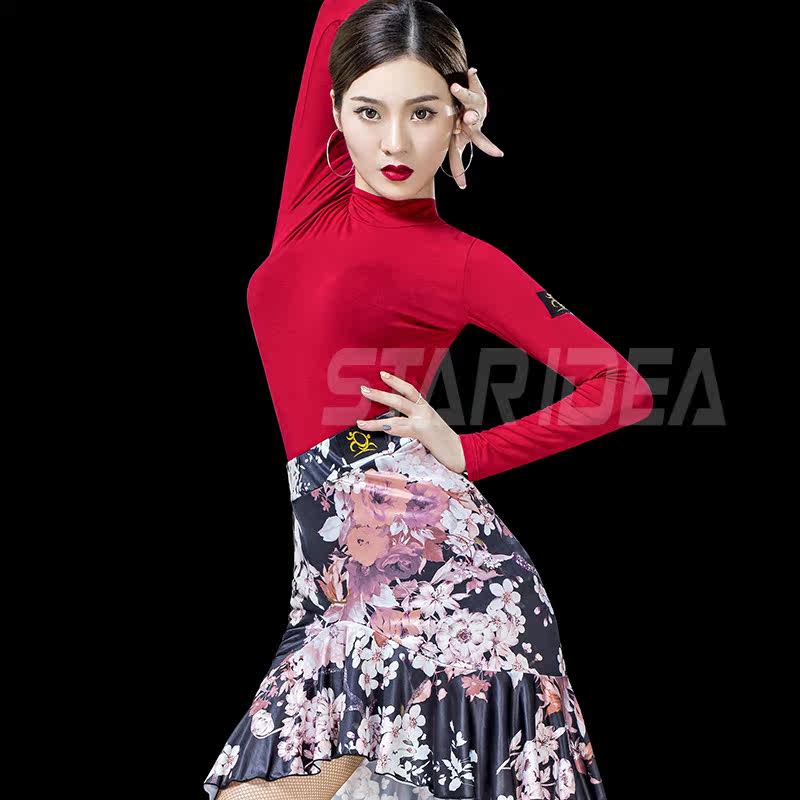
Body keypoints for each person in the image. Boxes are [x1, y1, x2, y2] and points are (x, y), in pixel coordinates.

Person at [204, 1, 653, 798]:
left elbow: (623, 389)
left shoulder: (463, 262)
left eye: (422, 113)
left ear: (455, 117)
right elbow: (343, 14)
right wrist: (441, 85)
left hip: (428, 570)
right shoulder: (312, 201)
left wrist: (469, 451)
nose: (394, 143)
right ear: (336, 111)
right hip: (339, 561)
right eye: (369, 112)